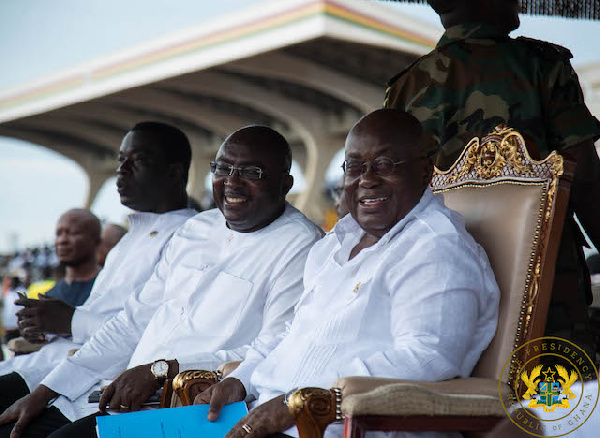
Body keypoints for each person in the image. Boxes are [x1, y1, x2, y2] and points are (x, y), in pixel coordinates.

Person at [0, 126, 324, 438]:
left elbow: (273, 348)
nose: (231, 182)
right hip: (123, 402)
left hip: (197, 412)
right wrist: (44, 392)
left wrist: (163, 370)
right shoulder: (196, 229)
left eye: (251, 172)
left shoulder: (301, 245)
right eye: (223, 168)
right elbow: (132, 322)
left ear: (285, 183)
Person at [198, 109, 500, 438]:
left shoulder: (438, 248)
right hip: (265, 416)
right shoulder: (336, 243)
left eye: (385, 165)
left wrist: (299, 403)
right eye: (355, 166)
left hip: (338, 427)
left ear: (425, 170)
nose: (367, 179)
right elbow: (291, 333)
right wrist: (240, 380)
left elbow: (427, 357)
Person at [384, 0, 600, 357]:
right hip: (546, 281)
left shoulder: (406, 87)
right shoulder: (541, 66)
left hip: (442, 277)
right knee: (558, 402)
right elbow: (585, 177)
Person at [0, 121, 197, 432]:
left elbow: (144, 330)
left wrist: (70, 320)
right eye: (121, 160)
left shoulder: (188, 237)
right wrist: (46, 325)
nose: (123, 170)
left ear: (174, 172)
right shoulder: (129, 240)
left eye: (138, 160)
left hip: (98, 382)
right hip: (58, 366)